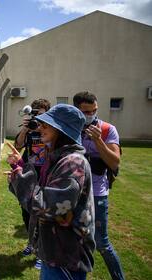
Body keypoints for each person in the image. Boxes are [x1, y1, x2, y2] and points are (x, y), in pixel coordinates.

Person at [7, 104, 95, 280]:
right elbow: (40, 191)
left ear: (62, 130)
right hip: (56, 253)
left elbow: (45, 206)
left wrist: (20, 177)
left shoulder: (72, 163)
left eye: (47, 124)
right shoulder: (57, 157)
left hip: (66, 258)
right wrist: (20, 168)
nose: (40, 127)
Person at [73, 91, 124, 280]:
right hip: (75, 193)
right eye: (86, 112)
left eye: (94, 111)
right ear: (77, 110)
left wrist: (98, 141)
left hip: (98, 194)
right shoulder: (70, 129)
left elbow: (114, 162)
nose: (91, 115)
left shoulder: (107, 129)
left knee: (102, 243)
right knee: (76, 241)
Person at [13, 98, 51, 269]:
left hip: (46, 174)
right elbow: (18, 145)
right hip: (29, 174)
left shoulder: (51, 130)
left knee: (42, 214)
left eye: (41, 114)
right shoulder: (28, 128)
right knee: (27, 211)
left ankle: (41, 252)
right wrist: (26, 129)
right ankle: (31, 243)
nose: (38, 118)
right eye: (35, 113)